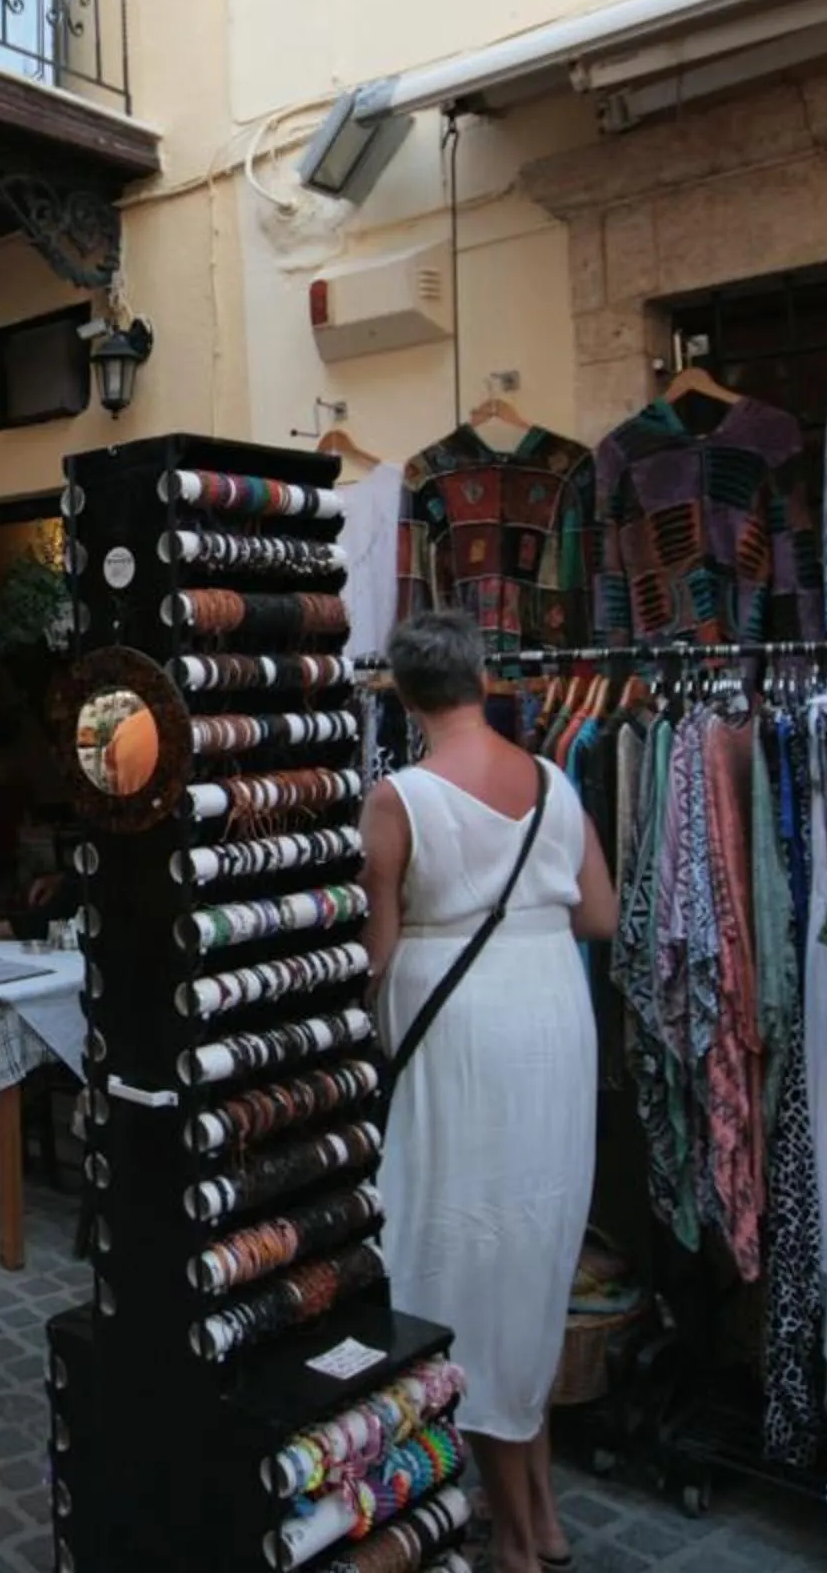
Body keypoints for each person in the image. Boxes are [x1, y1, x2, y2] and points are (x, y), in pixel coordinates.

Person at [359, 611, 615, 1573]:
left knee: (455, 1252)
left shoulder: (399, 797)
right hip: (550, 1019)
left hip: (460, 1033)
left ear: (404, 694)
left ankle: (512, 1530)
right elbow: (597, 910)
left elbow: (378, 955)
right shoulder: (553, 777)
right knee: (533, 1254)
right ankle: (538, 1511)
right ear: (482, 677)